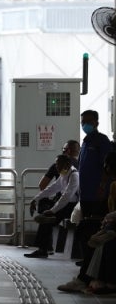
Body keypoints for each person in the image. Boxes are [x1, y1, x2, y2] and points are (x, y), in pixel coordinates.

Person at [58, 110, 113, 292]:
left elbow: (107, 167)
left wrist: (102, 189)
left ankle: (87, 276)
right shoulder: (86, 143)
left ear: (96, 122)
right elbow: (83, 168)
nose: (85, 125)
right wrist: (70, 161)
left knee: (89, 233)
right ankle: (89, 275)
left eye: (88, 121)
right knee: (86, 234)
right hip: (86, 197)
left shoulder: (101, 141)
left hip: (98, 197)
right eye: (83, 121)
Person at [25, 154, 78, 258]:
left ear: (66, 164)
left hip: (71, 207)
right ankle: (43, 249)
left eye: (58, 164)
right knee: (44, 213)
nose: (56, 167)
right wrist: (35, 199)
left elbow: (66, 196)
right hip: (63, 205)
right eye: (56, 164)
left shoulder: (74, 175)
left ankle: (43, 250)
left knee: (46, 217)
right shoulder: (64, 172)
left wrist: (52, 210)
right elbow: (53, 188)